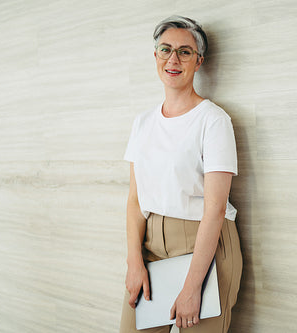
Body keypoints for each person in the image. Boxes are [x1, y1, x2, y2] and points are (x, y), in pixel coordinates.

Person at [119, 15, 243, 333]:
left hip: (204, 246)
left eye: (185, 52)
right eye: (166, 50)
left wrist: (192, 287)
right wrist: (134, 261)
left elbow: (215, 208)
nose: (173, 59)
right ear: (156, 56)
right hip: (150, 247)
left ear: (198, 61)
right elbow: (135, 199)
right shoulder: (142, 123)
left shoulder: (214, 121)